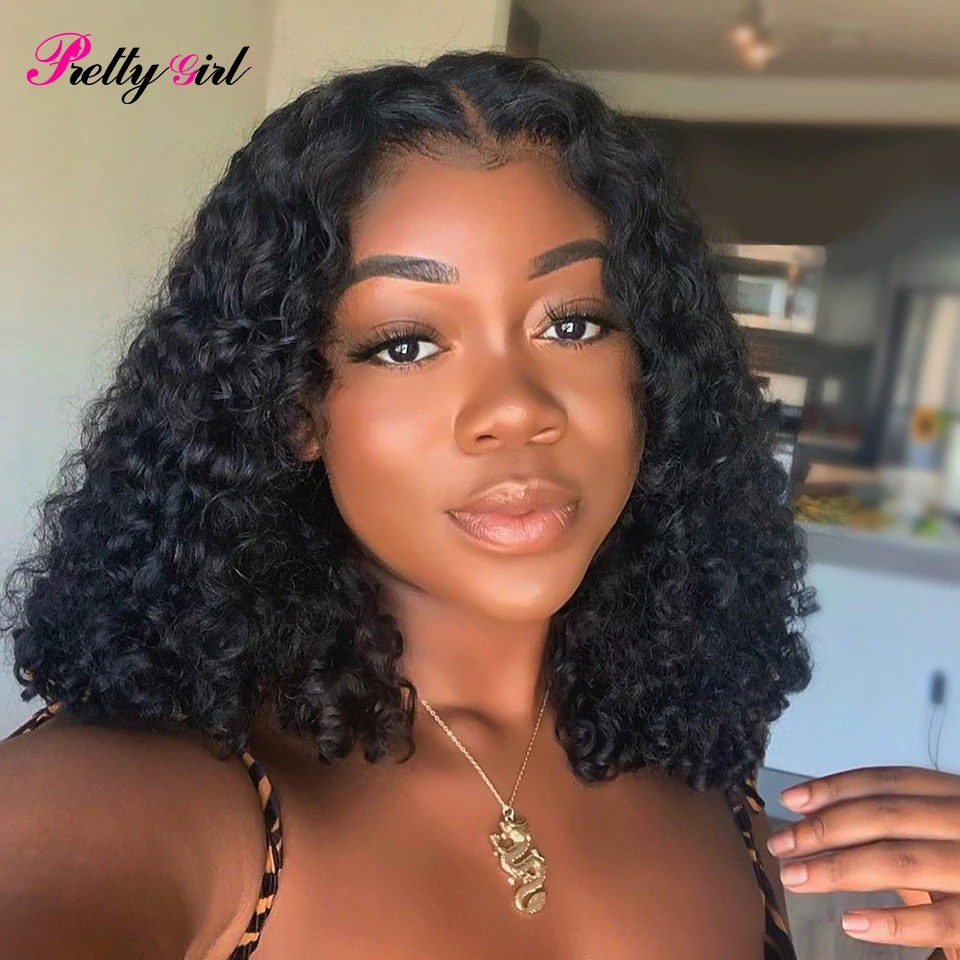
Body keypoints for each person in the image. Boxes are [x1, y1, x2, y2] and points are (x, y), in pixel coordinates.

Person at [1, 49, 957, 960]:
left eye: (573, 324)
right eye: (407, 344)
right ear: (294, 408)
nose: (517, 408)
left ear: (652, 376)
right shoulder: (147, 794)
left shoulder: (710, 778)